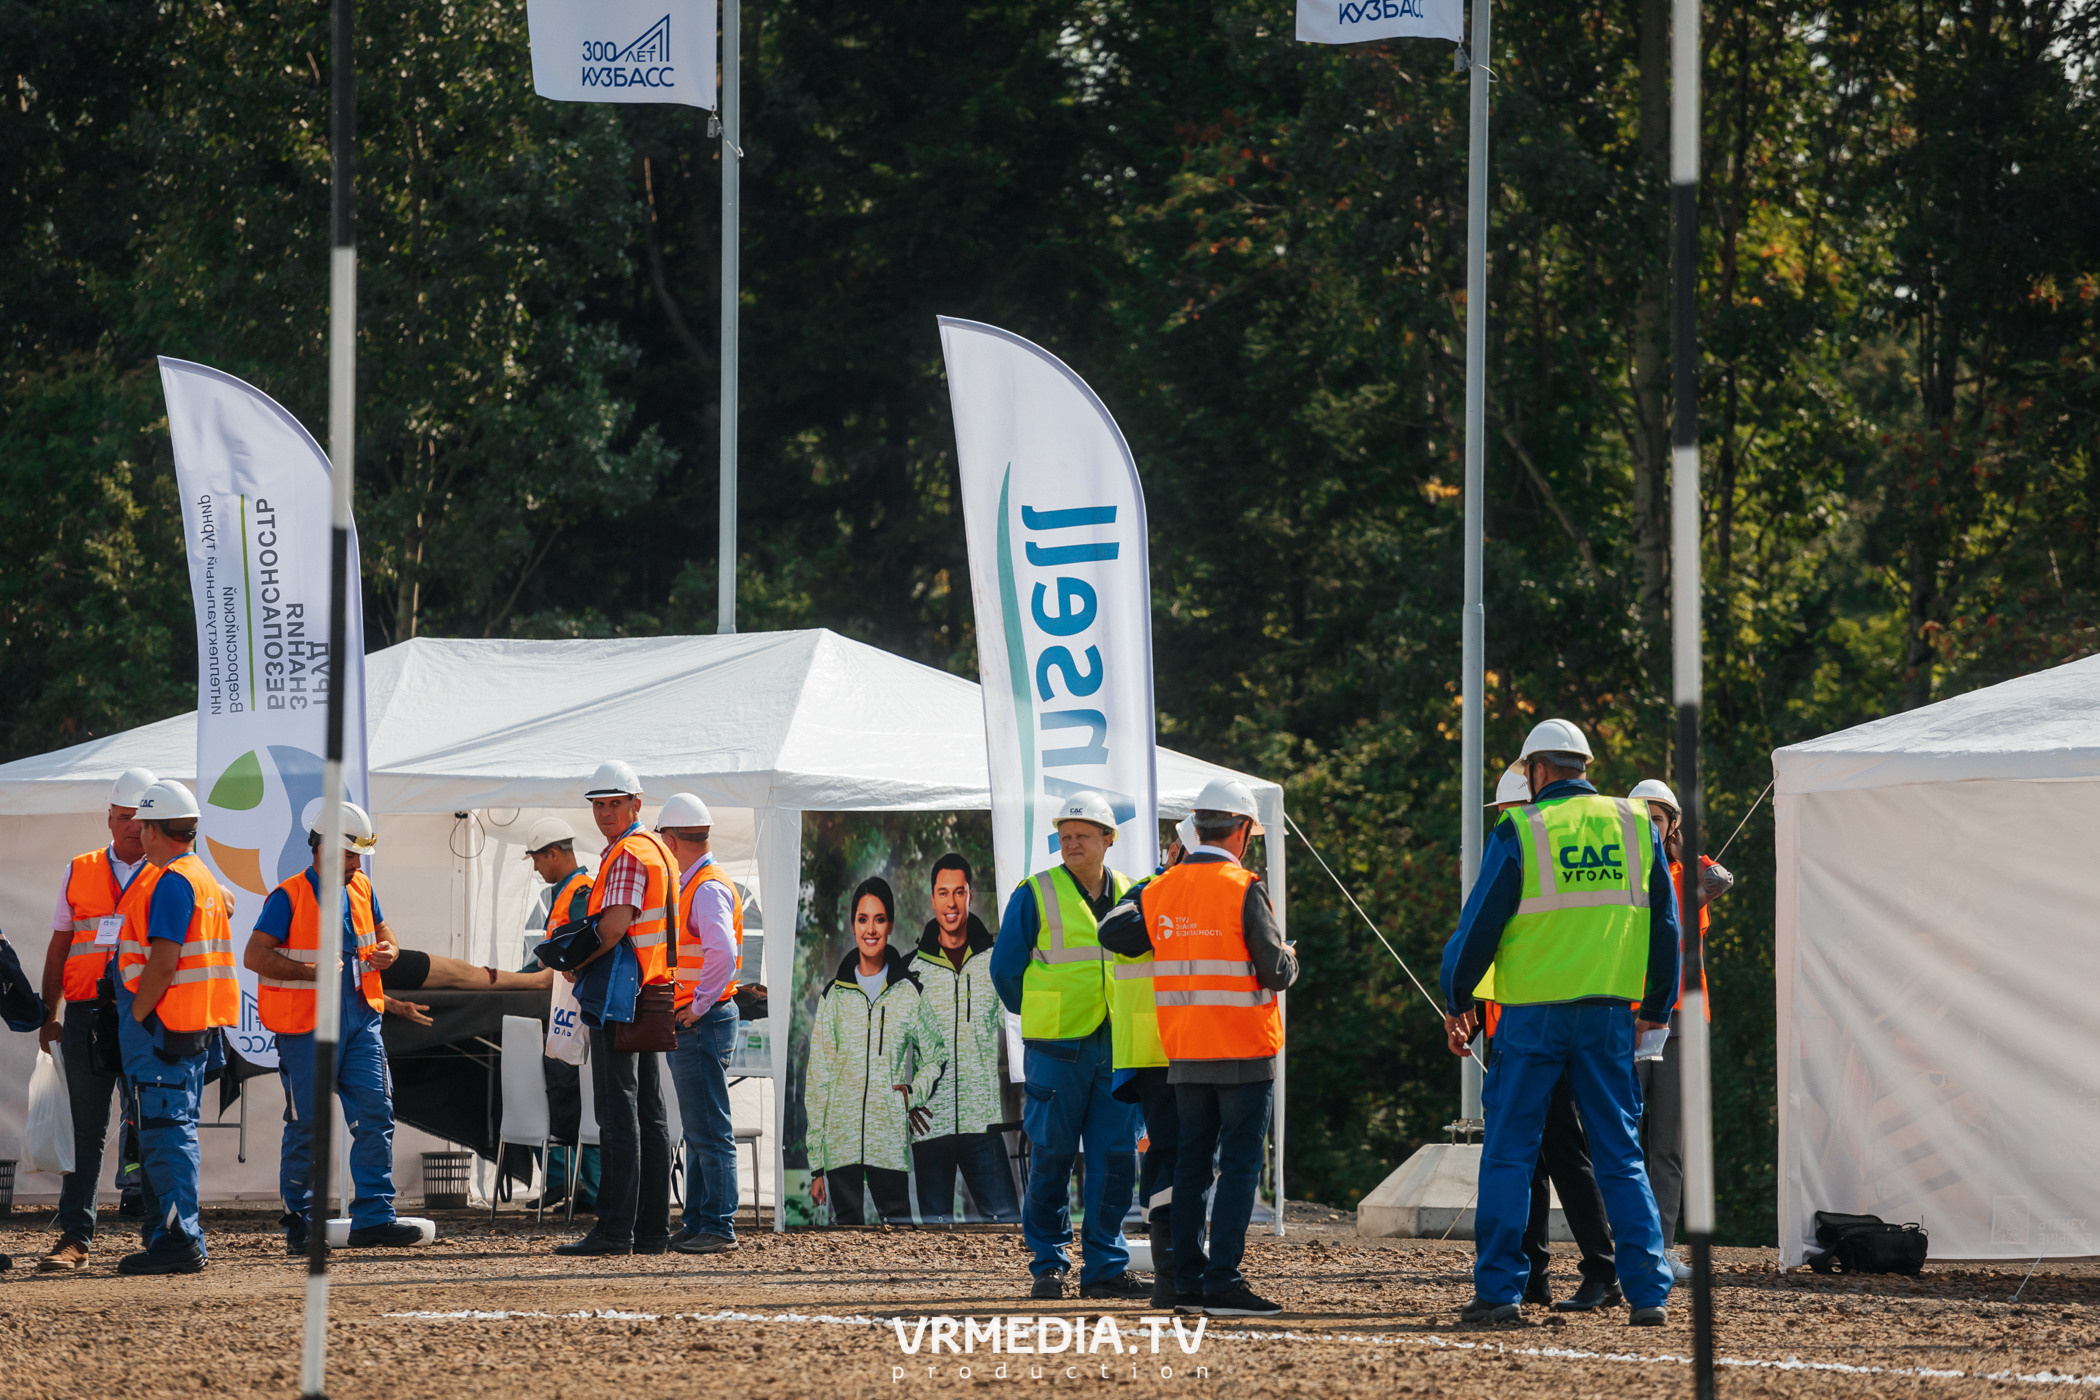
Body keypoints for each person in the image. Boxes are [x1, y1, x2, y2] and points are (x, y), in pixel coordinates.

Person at [1438, 718, 1680, 1327]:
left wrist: (1458, 996)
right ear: (1584, 767)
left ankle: (1499, 1292)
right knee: (1621, 1155)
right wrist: (1655, 1007)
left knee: (1510, 1155)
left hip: (1531, 1018)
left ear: (1536, 771)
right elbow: (1666, 927)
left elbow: (1479, 925)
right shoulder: (1634, 823)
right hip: (1606, 1016)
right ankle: (1648, 1293)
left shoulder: (1520, 827)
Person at [1098, 778, 1297, 1318]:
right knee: (1236, 1168)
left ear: (1198, 827)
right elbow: (1274, 972)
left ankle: (1185, 1279)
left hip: (1184, 1054)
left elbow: (1116, 934)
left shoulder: (1160, 889)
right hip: (1244, 1051)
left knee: (1191, 1163)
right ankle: (1222, 1282)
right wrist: (1290, 956)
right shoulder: (1244, 886)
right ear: (1241, 832)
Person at [1467, 763, 1624, 1313]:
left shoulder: (1522, 844)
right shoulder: (1521, 847)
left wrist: (1462, 1002)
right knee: (1534, 1161)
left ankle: (1600, 1269)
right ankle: (1535, 1272)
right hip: (1517, 1025)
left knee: (1555, 1150)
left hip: (1535, 1029)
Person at [245, 800, 429, 1254]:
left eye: (358, 856)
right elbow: (254, 955)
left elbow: (386, 932)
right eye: (349, 854)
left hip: (361, 1019)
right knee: (307, 1124)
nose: (355, 863)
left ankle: (374, 1219)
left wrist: (390, 949)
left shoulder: (362, 887)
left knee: (376, 1116)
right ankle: (301, 1228)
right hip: (306, 1026)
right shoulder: (288, 896)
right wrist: (310, 973)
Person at [989, 791, 1149, 1303]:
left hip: (1119, 1045)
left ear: (1108, 839)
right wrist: (1042, 1012)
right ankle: (1050, 1266)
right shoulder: (1033, 893)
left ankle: (1104, 1267)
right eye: (1065, 833)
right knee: (1052, 1157)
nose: (1071, 841)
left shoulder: (1135, 893)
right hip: (1057, 1048)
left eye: (1082, 833)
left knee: (1114, 1157)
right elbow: (1005, 971)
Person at [110, 780, 239, 1275]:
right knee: (171, 1132)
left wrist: (138, 1015)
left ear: (152, 830)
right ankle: (174, 1234)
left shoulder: (170, 882)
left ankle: (180, 1239)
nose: (137, 834)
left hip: (162, 1030)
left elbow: (163, 963)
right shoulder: (198, 875)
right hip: (187, 1028)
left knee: (166, 1135)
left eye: (141, 826)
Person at [553, 760, 678, 1256]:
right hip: (651, 991)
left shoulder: (626, 854)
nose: (604, 813)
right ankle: (651, 1230)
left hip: (620, 996)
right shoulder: (658, 850)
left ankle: (614, 1230)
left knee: (617, 1113)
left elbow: (615, 926)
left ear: (634, 805)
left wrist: (572, 957)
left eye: (613, 804)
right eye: (598, 805)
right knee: (650, 1111)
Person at [33, 767, 155, 1273]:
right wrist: (49, 1012)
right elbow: (61, 944)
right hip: (86, 1014)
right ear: (109, 816)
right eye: (123, 817)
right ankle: (74, 1237)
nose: (131, 827)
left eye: (140, 819)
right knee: (85, 1128)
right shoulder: (79, 869)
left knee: (154, 1124)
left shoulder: (172, 870)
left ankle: (163, 1234)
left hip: (144, 1013)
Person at [1625, 778, 1735, 1279]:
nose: (1650, 823)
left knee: (1666, 1145)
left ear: (1672, 824)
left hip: (1682, 1020)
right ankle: (1622, 1248)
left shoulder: (1686, 871)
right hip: (1626, 1015)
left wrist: (1701, 875)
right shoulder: (1616, 875)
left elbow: (1719, 878)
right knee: (1622, 1140)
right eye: (1641, 815)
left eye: (1658, 816)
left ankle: (1661, 1250)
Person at [806, 877, 939, 1225]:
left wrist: (912, 1094)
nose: (871, 928)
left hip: (888, 1146)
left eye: (879, 919)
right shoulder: (834, 996)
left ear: (890, 926)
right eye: (863, 919)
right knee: (847, 1247)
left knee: (900, 1240)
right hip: (841, 1146)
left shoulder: (908, 993)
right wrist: (816, 1163)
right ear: (853, 925)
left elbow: (935, 1055)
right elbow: (817, 1078)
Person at [906, 854, 1019, 1225]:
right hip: (930, 1123)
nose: (951, 903)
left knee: (1007, 1227)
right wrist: (906, 1102)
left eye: (959, 892)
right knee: (933, 1236)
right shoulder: (910, 970)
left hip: (982, 1121)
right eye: (943, 893)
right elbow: (891, 1049)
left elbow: (1021, 1028)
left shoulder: (996, 962)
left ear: (970, 896)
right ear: (932, 898)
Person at [656, 793, 746, 1254]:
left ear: (671, 840)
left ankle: (716, 1225)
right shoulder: (701, 883)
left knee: (709, 1128)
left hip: (702, 1019)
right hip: (702, 1017)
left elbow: (724, 954)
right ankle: (699, 1221)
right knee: (701, 1127)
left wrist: (697, 1005)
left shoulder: (705, 886)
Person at [521, 816, 598, 1211]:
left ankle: (592, 1188)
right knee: (561, 1094)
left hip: (578, 1014)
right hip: (562, 1011)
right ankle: (562, 1183)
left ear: (555, 853)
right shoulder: (565, 892)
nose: (535, 867)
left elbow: (581, 950)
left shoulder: (581, 892)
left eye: (537, 858)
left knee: (579, 1097)